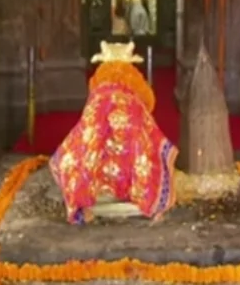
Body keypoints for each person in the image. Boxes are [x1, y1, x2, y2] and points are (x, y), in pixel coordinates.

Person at [49, 41, 178, 224]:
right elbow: (149, 126)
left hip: (97, 172)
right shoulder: (135, 99)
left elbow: (86, 130)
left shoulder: (98, 96)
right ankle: (135, 194)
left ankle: (92, 195)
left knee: (79, 149)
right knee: (143, 145)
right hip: (131, 165)